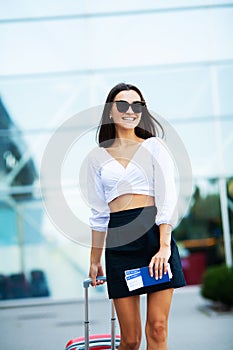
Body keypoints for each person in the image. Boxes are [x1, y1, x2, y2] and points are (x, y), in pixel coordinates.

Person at [87, 83, 186, 350]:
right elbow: (98, 214)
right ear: (110, 111)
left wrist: (164, 246)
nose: (130, 110)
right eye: (122, 104)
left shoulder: (155, 147)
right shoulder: (96, 157)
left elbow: (167, 200)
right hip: (120, 242)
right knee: (130, 340)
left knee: (158, 328)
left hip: (154, 236)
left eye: (136, 105)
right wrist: (95, 260)